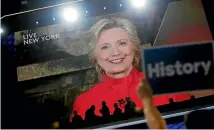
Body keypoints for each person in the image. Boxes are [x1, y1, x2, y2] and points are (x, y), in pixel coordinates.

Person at [70, 18, 190, 121]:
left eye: (122, 43)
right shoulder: (83, 103)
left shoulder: (166, 85)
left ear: (134, 48)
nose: (115, 52)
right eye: (105, 47)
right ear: (94, 56)